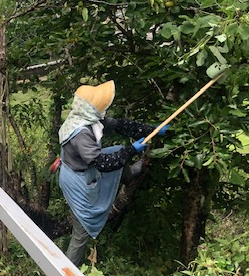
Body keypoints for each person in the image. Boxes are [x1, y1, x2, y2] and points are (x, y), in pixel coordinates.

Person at [58, 80, 167, 266]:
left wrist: (153, 130)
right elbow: (103, 164)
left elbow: (121, 125)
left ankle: (129, 174)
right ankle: (65, 274)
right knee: (81, 230)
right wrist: (132, 150)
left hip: (85, 168)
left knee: (117, 150)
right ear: (90, 109)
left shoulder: (88, 119)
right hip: (77, 181)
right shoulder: (80, 134)